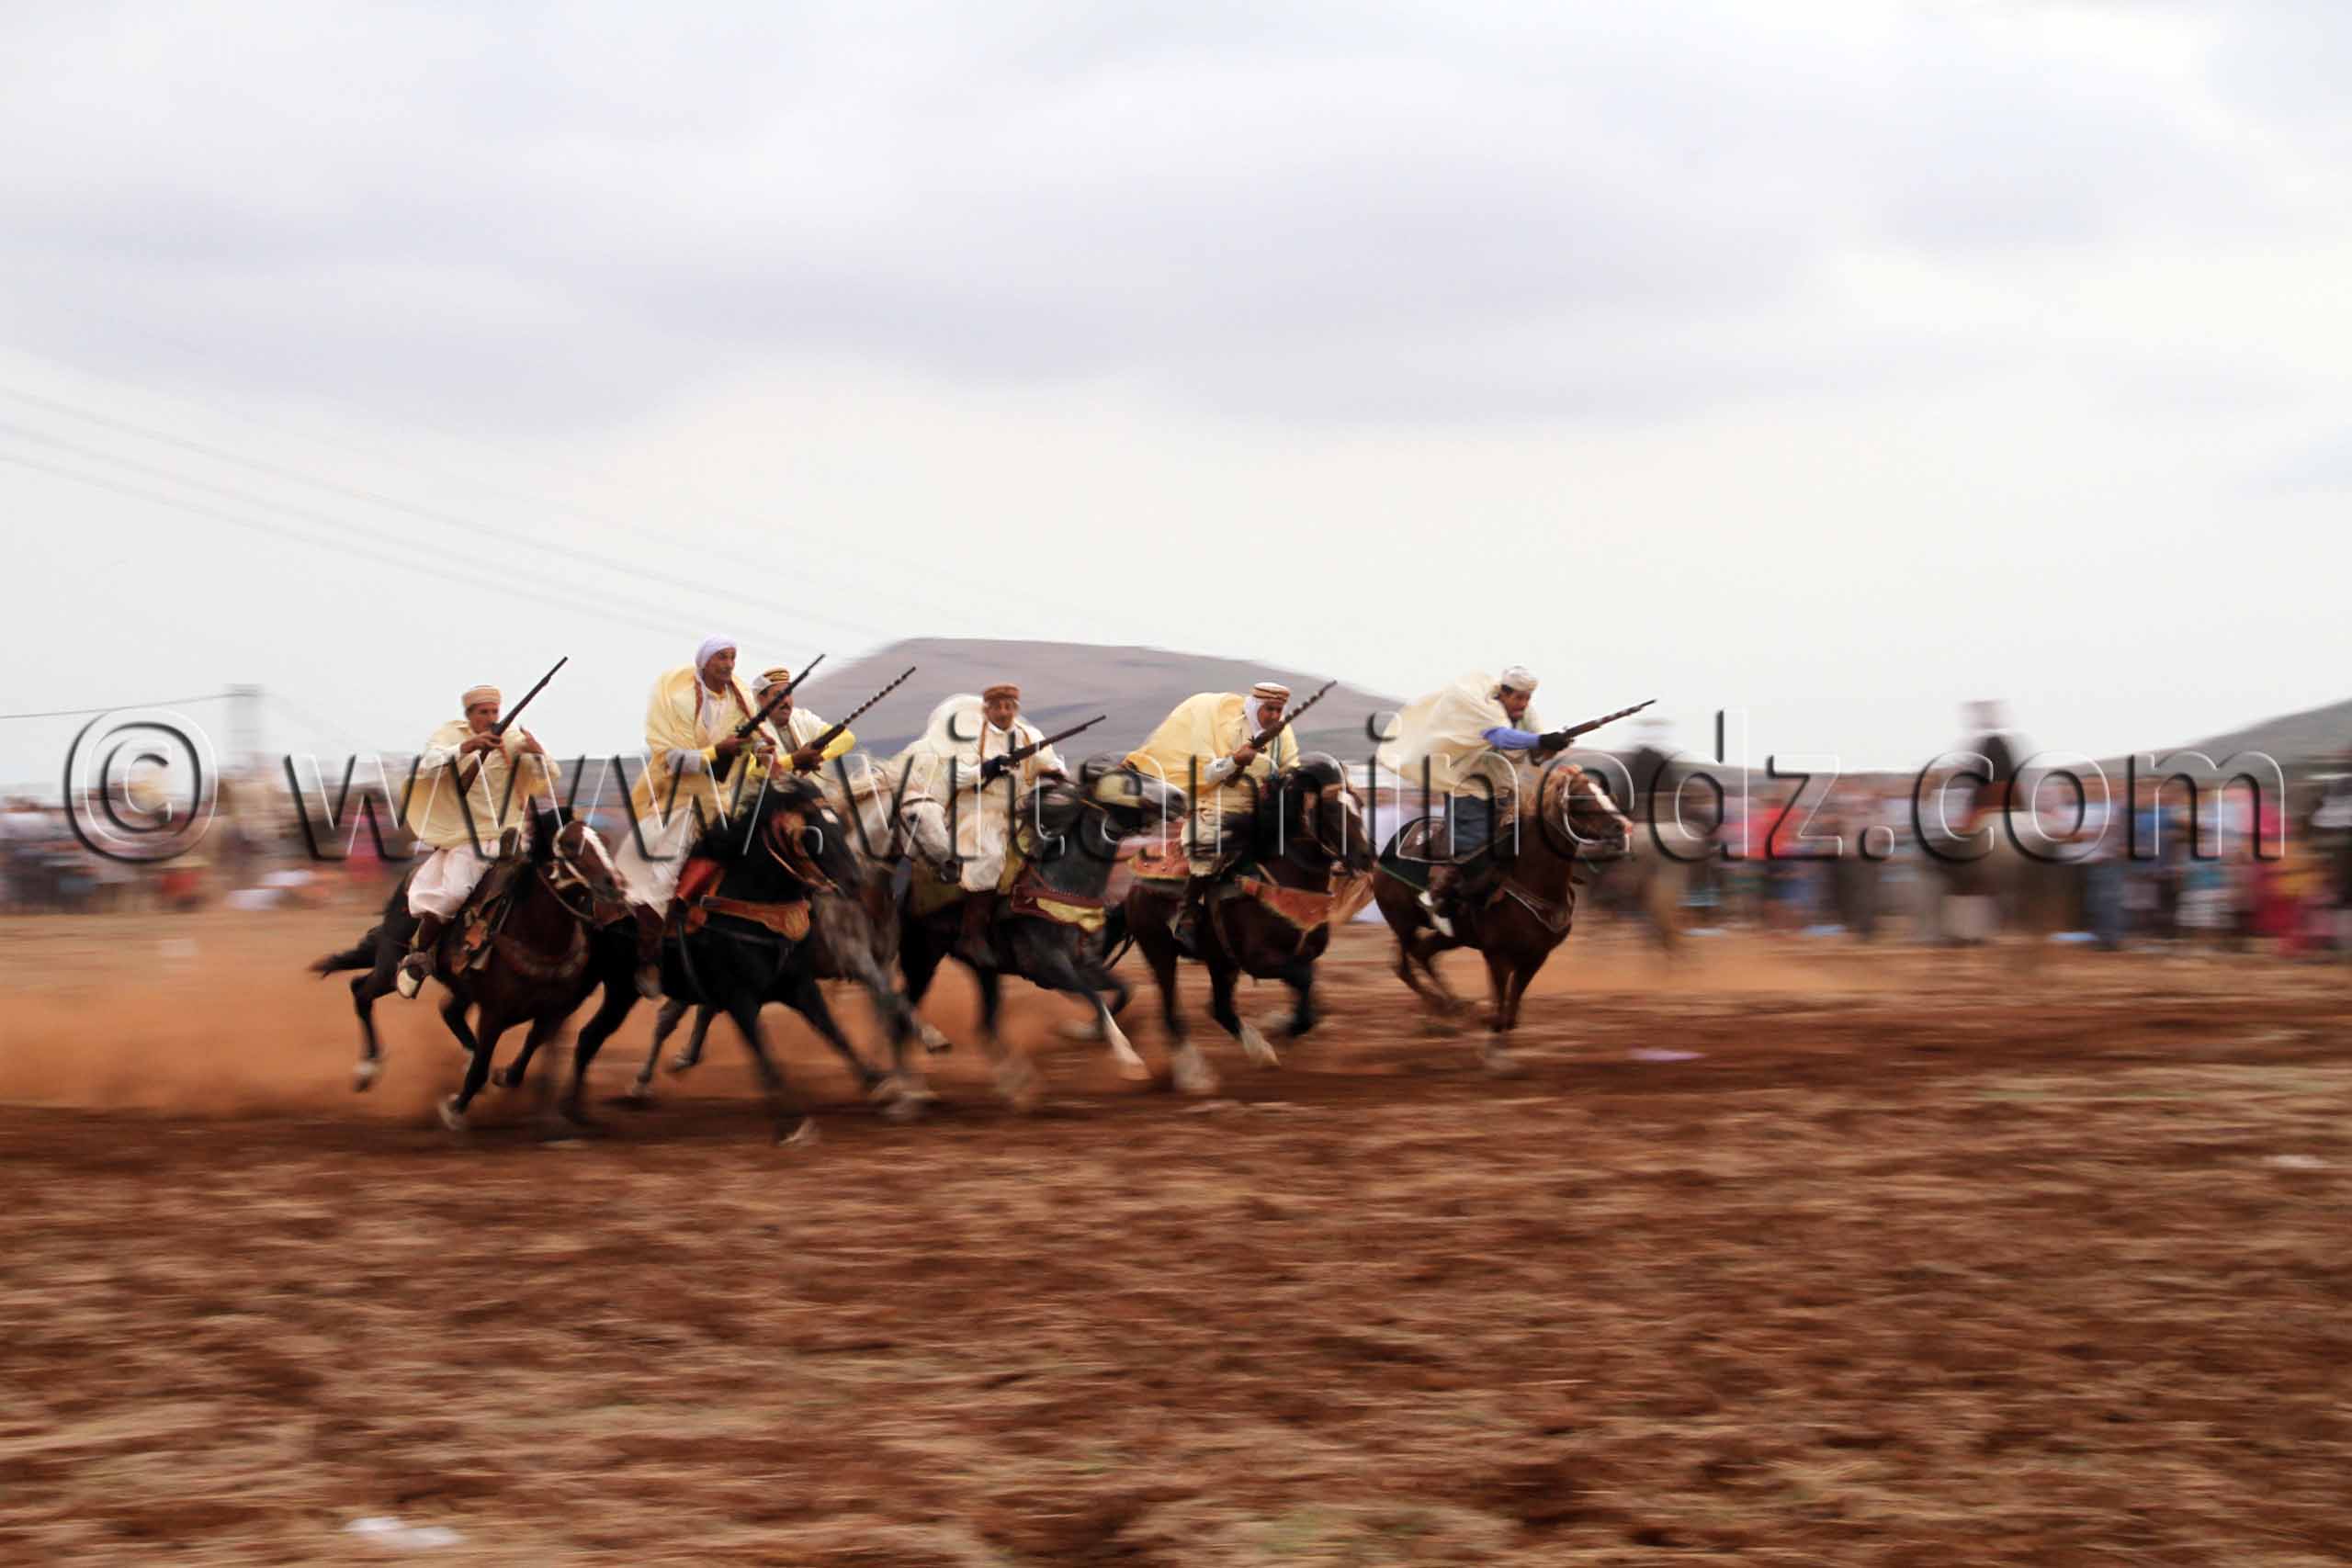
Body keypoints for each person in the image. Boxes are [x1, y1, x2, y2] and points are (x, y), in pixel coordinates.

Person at [612, 637, 774, 994]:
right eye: (721, 657)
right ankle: (649, 961)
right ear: (704, 663)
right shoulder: (682, 702)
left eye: (733, 657)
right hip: (682, 803)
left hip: (726, 803)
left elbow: (757, 740)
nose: (729, 664)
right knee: (661, 881)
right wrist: (719, 751)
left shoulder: (740, 698)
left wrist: (760, 749)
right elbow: (673, 759)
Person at [1376, 667, 1575, 937]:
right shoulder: (1484, 708)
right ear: (1503, 693)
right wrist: (1539, 739)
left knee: (1524, 843)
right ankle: (1437, 900)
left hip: (1505, 790)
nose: (1524, 704)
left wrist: (1551, 745)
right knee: (1474, 850)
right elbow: (1500, 736)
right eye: (1519, 698)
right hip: (1468, 789)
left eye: (1528, 698)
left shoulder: (1525, 713)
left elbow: (1536, 755)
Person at [394, 682, 554, 997]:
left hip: (512, 835)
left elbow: (550, 775)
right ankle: (418, 956)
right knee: (454, 894)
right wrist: (467, 748)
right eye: (484, 712)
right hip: (468, 836)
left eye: (495, 711)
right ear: (469, 715)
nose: (491, 717)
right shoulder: (451, 735)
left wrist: (538, 754)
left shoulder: (514, 739)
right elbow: (427, 764)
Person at [1125, 682, 1300, 947]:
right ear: (1255, 706)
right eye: (1270, 709)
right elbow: (1205, 772)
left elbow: (1291, 767)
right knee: (1207, 844)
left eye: (1279, 710)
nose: (1275, 716)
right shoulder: (1223, 726)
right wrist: (1234, 761)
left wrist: (1286, 782)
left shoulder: (1283, 734)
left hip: (1264, 810)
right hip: (1219, 806)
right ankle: (1188, 912)